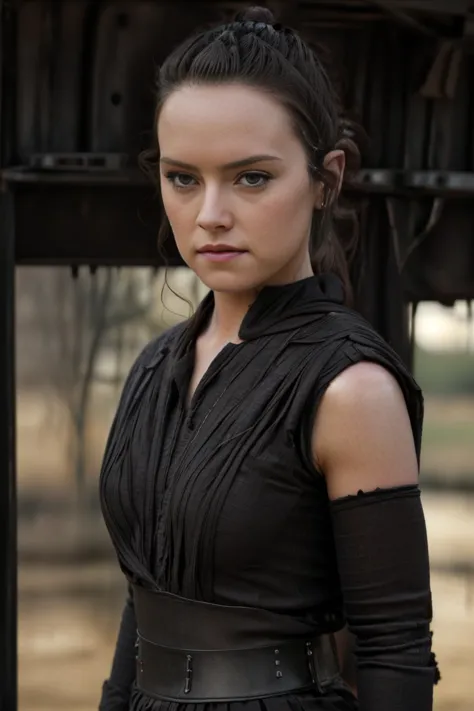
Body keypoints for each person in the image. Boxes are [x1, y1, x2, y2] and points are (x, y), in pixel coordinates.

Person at [98, 6, 439, 711]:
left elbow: (395, 651)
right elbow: (143, 610)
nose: (209, 214)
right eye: (182, 178)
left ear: (325, 178)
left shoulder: (351, 387)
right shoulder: (154, 367)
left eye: (251, 178)